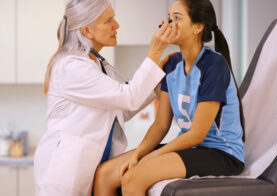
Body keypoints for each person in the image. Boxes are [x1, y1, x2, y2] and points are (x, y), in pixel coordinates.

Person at [93, 0, 245, 195]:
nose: (168, 24)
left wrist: (150, 157)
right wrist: (139, 153)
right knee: (104, 174)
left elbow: (197, 134)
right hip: (192, 148)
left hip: (221, 153)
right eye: (168, 18)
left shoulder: (214, 65)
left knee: (134, 175)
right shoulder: (172, 64)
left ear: (197, 27)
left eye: (177, 18)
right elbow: (160, 124)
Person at [33, 0, 180, 195]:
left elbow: (120, 110)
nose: (116, 25)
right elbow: (128, 98)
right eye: (108, 20)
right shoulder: (71, 67)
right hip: (64, 175)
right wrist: (155, 51)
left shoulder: (95, 65)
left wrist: (155, 84)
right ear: (88, 31)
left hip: (91, 169)